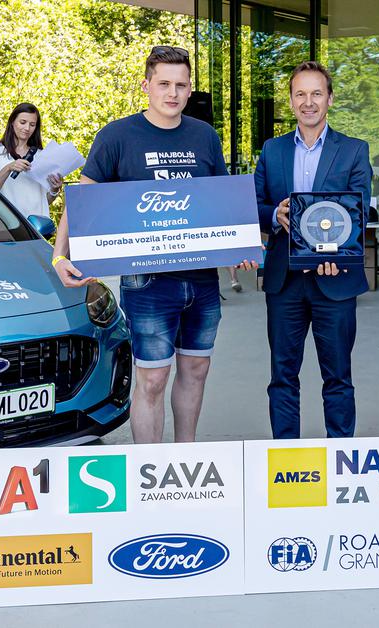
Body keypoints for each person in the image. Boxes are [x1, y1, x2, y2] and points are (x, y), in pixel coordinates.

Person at [50, 46, 256, 444]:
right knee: (153, 377)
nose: (172, 93)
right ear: (146, 86)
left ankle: (184, 458)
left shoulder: (204, 136)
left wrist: (239, 248)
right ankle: (151, 469)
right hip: (147, 282)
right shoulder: (116, 136)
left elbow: (222, 201)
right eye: (163, 84)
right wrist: (60, 255)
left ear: (190, 88)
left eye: (181, 85)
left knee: (196, 370)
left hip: (202, 278)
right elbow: (81, 202)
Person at [255, 61, 372, 439]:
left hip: (335, 280)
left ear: (330, 99)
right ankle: (285, 458)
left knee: (338, 376)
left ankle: (340, 456)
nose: (309, 102)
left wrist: (334, 254)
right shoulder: (271, 150)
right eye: (300, 94)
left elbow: (359, 212)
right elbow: (253, 206)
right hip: (284, 281)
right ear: (291, 101)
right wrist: (274, 214)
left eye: (316, 93)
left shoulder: (354, 150)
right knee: (282, 376)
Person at [0, 103, 63, 218]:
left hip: (35, 225)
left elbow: (44, 202)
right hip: (6, 223)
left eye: (32, 125)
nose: (27, 128)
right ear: (12, 122)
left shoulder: (41, 156)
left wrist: (54, 190)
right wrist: (8, 168)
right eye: (22, 122)